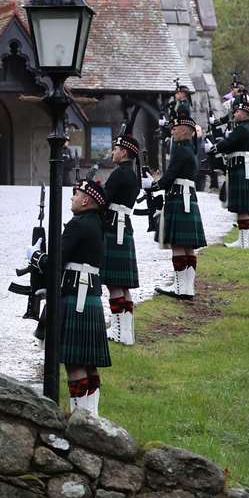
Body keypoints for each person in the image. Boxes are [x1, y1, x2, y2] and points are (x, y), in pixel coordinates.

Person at [29, 178, 111, 415]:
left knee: (75, 364)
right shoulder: (96, 224)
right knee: (89, 364)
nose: (72, 198)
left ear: (86, 200)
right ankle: (92, 418)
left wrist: (35, 257)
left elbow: (56, 260)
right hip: (90, 296)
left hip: (77, 297)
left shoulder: (78, 224)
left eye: (75, 194)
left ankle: (80, 420)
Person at [154, 114, 207, 300]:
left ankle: (179, 287)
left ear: (185, 131)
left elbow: (170, 176)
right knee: (188, 247)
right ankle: (187, 287)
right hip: (188, 196)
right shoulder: (190, 150)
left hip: (178, 196)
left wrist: (153, 186)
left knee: (178, 244)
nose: (172, 131)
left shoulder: (180, 150)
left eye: (175, 128)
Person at [102, 130, 142, 345]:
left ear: (124, 152)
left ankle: (119, 332)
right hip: (123, 225)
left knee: (114, 284)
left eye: (116, 149)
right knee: (122, 286)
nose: (113, 152)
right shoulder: (132, 174)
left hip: (113, 226)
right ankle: (126, 332)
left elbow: (104, 199)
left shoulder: (119, 173)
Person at [217, 99, 249, 249]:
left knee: (243, 209)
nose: (235, 114)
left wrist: (215, 146)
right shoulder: (246, 128)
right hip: (246, 169)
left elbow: (226, 144)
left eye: (237, 111)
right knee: (248, 209)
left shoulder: (242, 129)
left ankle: (244, 243)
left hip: (242, 169)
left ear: (245, 114)